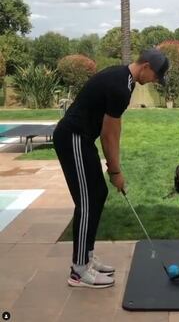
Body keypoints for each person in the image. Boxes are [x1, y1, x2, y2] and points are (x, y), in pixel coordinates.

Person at [53, 48, 169, 288]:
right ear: (146, 66)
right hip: (73, 137)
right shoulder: (120, 86)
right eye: (156, 76)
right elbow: (109, 134)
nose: (156, 81)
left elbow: (111, 131)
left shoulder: (124, 80)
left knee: (98, 194)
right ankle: (79, 270)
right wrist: (115, 171)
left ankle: (87, 256)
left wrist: (113, 169)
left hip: (83, 139)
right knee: (86, 202)